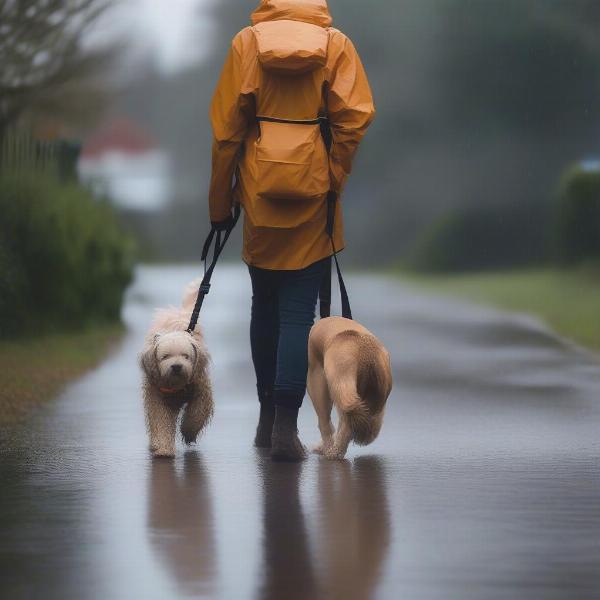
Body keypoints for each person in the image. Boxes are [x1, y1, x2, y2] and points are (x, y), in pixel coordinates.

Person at [208, 0, 375, 461]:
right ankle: (286, 423)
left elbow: (226, 132)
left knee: (265, 304)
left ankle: (266, 419)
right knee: (300, 310)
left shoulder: (246, 43)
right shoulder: (335, 45)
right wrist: (331, 175)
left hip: (260, 194)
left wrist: (221, 203)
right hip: (313, 195)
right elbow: (355, 117)